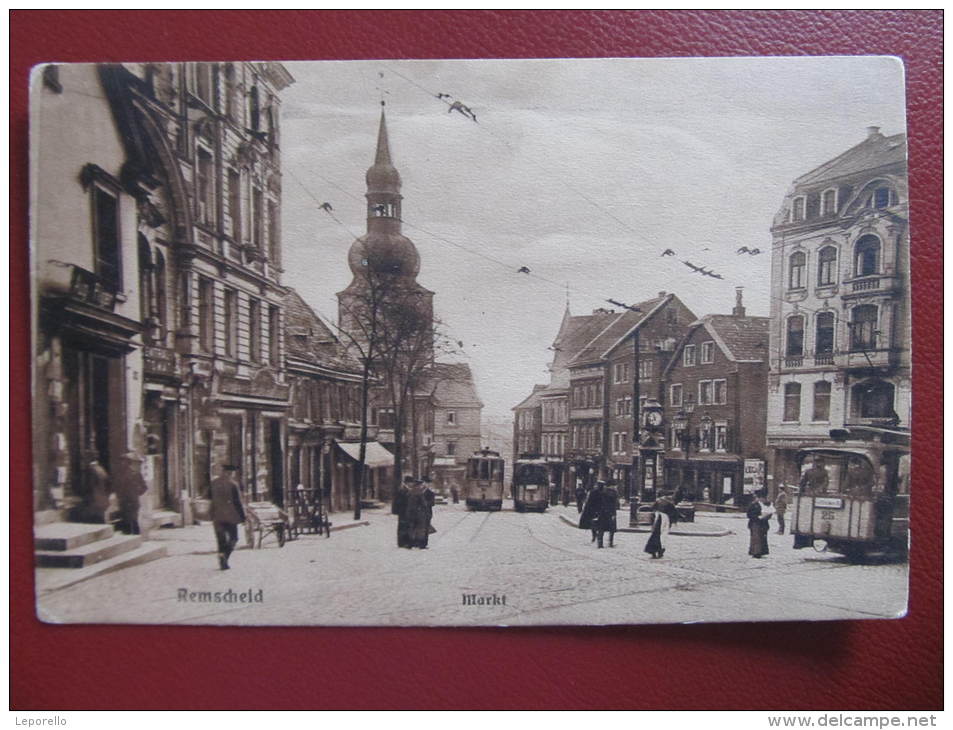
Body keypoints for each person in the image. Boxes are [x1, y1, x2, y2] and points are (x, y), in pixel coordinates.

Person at [209, 464, 246, 570]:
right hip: (230, 516)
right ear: (230, 473)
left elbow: (208, 497)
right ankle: (225, 556)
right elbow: (238, 502)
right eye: (232, 473)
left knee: (221, 539)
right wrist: (243, 517)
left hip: (217, 515)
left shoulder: (214, 483)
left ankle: (222, 558)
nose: (233, 475)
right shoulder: (233, 484)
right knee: (234, 538)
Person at [115, 451, 148, 535]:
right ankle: (132, 537)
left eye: (124, 461)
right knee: (128, 521)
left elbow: (144, 487)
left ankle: (135, 538)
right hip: (126, 501)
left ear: (128, 462)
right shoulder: (121, 474)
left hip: (132, 502)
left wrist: (136, 493)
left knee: (132, 521)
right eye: (122, 461)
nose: (122, 463)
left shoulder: (135, 474)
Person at [404, 479, 436, 549]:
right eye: (421, 485)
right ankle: (421, 544)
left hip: (410, 513)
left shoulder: (410, 492)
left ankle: (410, 544)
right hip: (419, 514)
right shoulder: (419, 493)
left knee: (411, 528)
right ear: (419, 485)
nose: (422, 486)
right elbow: (423, 503)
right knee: (420, 529)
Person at [81, 451, 111, 524]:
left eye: (85, 458)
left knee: (95, 522)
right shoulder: (101, 469)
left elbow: (89, 487)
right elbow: (108, 484)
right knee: (101, 520)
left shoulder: (91, 470)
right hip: (103, 500)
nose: (84, 460)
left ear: (89, 458)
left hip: (94, 502)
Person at [747, 490, 772, 558]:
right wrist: (758, 517)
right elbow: (749, 514)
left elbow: (770, 511)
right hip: (755, 523)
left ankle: (761, 551)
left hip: (763, 523)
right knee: (756, 538)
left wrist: (767, 516)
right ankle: (756, 552)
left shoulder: (766, 504)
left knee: (762, 538)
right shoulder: (753, 504)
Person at [596, 480, 621, 548]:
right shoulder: (613, 492)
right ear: (612, 486)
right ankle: (610, 542)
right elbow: (616, 504)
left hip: (602, 512)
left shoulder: (602, 492)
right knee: (611, 529)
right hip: (610, 512)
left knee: (601, 528)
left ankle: (600, 543)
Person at [392, 475, 414, 548]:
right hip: (403, 511)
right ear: (407, 482)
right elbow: (397, 501)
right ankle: (401, 542)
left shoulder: (408, 489)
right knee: (402, 527)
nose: (412, 484)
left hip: (407, 511)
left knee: (407, 527)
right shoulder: (402, 490)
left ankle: (406, 541)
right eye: (411, 482)